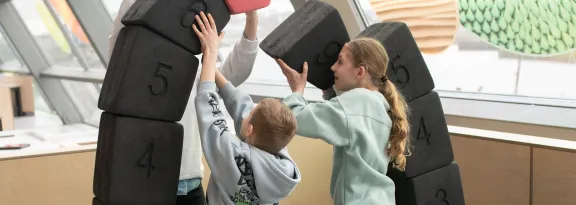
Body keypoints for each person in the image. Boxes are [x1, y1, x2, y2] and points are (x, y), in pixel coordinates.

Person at [108, 1, 261, 204]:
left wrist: (252, 15)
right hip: (145, 183)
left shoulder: (200, 73)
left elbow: (238, 68)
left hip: (190, 186)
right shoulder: (135, 65)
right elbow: (121, 37)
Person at [276, 37, 411, 205]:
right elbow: (346, 119)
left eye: (340, 62)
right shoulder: (379, 105)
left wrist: (297, 89)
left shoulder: (358, 102)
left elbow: (295, 118)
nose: (333, 67)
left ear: (360, 72)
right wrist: (330, 93)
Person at [192, 12, 301, 205]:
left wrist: (210, 52)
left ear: (250, 129)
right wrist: (212, 70)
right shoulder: (282, 163)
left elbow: (209, 111)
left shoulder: (232, 156)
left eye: (250, 114)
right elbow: (242, 106)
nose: (246, 111)